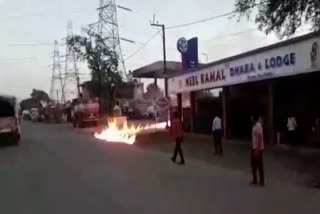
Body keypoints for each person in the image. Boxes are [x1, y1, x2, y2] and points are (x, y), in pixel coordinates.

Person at [250, 115, 265, 187]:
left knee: (259, 165)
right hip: (254, 147)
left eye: (252, 117)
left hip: (258, 149)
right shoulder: (254, 126)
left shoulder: (258, 125)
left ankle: (261, 181)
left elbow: (260, 137)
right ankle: (255, 180)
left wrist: (257, 149)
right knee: (253, 165)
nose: (251, 119)